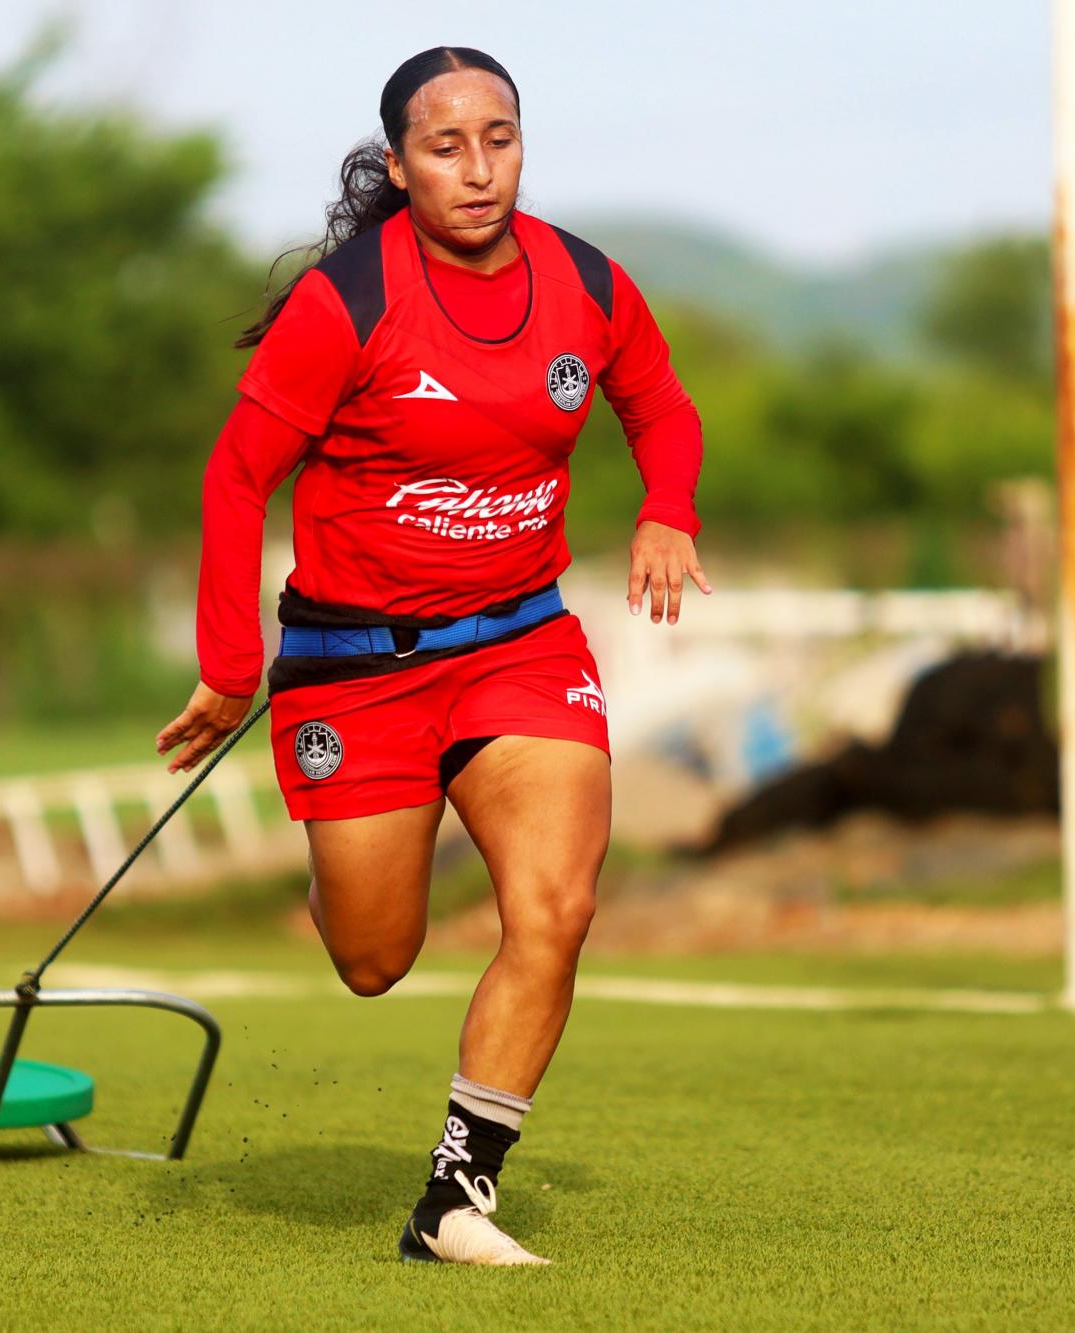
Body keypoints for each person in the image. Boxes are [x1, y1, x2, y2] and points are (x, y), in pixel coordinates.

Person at [155, 45, 708, 1266]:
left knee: (555, 906)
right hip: (356, 668)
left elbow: (660, 408)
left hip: (520, 644)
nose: (478, 168)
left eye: (497, 139)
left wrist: (666, 507)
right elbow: (236, 476)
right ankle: (346, 857)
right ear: (399, 164)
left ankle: (454, 1197)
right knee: (372, 957)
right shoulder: (345, 302)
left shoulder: (586, 281)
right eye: (445, 146)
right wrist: (231, 665)